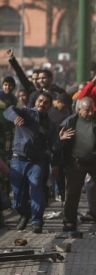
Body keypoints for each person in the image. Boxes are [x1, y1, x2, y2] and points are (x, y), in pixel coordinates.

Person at [55, 97, 96, 232]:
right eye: (86, 111)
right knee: (72, 192)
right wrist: (60, 141)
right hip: (76, 162)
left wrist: (95, 154)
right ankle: (69, 222)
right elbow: (58, 145)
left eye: (92, 110)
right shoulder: (69, 122)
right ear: (79, 110)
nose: (90, 114)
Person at [4, 92, 60, 233]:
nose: (42, 104)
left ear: (49, 106)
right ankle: (26, 212)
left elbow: (53, 147)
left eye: (46, 102)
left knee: (36, 187)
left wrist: (61, 140)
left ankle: (37, 221)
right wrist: (15, 118)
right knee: (17, 200)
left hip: (37, 161)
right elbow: (8, 110)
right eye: (40, 101)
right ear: (36, 102)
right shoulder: (26, 112)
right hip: (18, 160)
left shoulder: (51, 125)